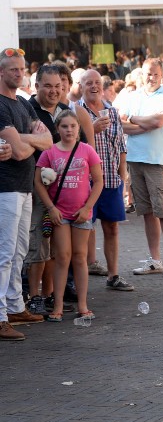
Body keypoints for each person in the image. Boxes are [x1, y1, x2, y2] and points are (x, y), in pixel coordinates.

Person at [0, 47, 53, 340]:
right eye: (13, 70)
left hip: (23, 187)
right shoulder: (0, 105)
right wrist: (31, 141)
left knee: (19, 251)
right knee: (4, 252)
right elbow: (22, 151)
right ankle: (0, 316)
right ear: (1, 72)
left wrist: (24, 140)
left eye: (21, 69)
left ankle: (14, 305)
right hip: (5, 189)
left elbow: (47, 140)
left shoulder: (23, 103)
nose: (19, 74)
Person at [121, 57, 163, 279]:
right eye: (148, 73)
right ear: (142, 74)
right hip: (136, 160)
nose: (151, 77)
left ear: (162, 74)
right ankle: (155, 260)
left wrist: (135, 119)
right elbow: (121, 123)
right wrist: (144, 124)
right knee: (147, 213)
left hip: (159, 161)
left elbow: (159, 122)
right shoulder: (133, 96)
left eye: (155, 73)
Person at [35, 110, 103, 321]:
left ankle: (82, 305)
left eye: (73, 126)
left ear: (78, 128)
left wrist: (87, 208)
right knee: (62, 257)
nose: (69, 130)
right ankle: (57, 305)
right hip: (60, 212)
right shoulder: (49, 152)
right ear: (58, 129)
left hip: (82, 212)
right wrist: (51, 208)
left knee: (80, 257)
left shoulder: (87, 150)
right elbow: (37, 181)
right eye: (64, 126)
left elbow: (98, 181)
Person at [79, 69, 133, 292]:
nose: (94, 86)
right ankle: (79, 279)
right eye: (89, 83)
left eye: (97, 83)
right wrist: (91, 128)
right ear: (80, 87)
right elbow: (70, 142)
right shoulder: (75, 111)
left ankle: (113, 275)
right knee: (83, 229)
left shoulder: (112, 110)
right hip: (85, 181)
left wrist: (123, 177)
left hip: (110, 179)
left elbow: (120, 145)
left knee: (112, 227)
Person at [25, 64, 71, 315]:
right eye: (48, 86)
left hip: (64, 193)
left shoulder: (66, 111)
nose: (54, 91)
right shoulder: (27, 110)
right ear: (37, 86)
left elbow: (79, 147)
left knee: (57, 245)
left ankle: (50, 294)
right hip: (37, 191)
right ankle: (34, 297)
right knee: (38, 243)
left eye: (58, 86)